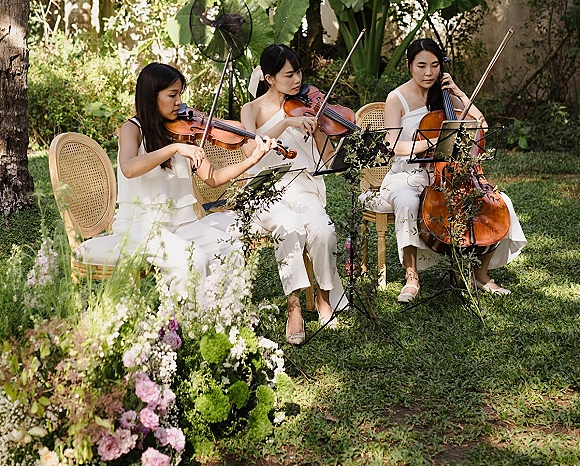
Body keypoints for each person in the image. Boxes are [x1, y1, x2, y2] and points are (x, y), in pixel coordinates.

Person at [367, 38, 526, 304]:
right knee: (407, 201)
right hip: (407, 173)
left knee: (501, 204)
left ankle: (480, 274)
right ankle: (411, 277)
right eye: (421, 66)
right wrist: (431, 142)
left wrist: (460, 93)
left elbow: (481, 125)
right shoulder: (396, 98)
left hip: (449, 173)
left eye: (434, 66)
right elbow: (392, 146)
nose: (428, 73)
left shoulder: (446, 95)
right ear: (409, 66)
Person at [110, 62, 275, 298]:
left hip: (182, 222)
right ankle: (187, 324)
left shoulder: (181, 129)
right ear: (151, 96)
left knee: (232, 249)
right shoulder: (132, 129)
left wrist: (252, 160)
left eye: (180, 94)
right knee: (194, 260)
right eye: (172, 95)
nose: (179, 101)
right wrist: (174, 149)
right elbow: (129, 167)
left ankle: (227, 317)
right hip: (142, 225)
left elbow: (213, 178)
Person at [241, 45, 345, 345]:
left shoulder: (307, 106)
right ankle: (295, 306)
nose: (297, 79)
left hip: (303, 186)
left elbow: (325, 159)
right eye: (289, 74)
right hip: (267, 190)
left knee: (324, 232)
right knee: (290, 229)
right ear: (270, 78)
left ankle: (324, 298)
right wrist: (285, 122)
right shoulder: (252, 109)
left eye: (299, 72)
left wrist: (324, 129)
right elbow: (250, 150)